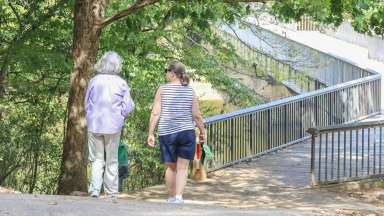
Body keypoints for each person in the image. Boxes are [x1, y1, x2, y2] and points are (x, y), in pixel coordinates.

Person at [147, 60, 205, 204]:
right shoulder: (190, 91)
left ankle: (171, 197)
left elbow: (155, 113)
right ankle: (179, 197)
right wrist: (202, 131)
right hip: (186, 132)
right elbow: (196, 115)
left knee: (170, 166)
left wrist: (150, 133)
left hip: (166, 133)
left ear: (173, 74)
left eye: (166, 71)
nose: (166, 74)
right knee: (183, 167)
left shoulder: (163, 89)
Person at [85, 51, 135, 198]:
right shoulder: (121, 83)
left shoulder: (94, 80)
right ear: (117, 65)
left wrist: (90, 116)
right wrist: (120, 116)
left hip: (95, 124)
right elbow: (128, 105)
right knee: (112, 159)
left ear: (102, 63)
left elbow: (86, 103)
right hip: (113, 125)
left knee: (97, 159)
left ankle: (94, 190)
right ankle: (111, 192)